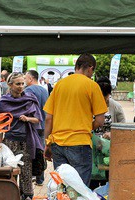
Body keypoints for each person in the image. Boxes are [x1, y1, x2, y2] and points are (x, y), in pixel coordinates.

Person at [43, 53, 108, 187]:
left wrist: (47, 143)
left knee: (62, 188)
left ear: (76, 66)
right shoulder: (92, 86)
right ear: (90, 68)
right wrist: (84, 127)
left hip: (58, 144)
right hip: (80, 144)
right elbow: (100, 121)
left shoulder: (59, 85)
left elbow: (49, 118)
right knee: (79, 190)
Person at [0, 73, 42, 200]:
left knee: (26, 173)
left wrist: (27, 119)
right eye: (18, 84)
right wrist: (0, 144)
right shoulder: (4, 102)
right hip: (10, 141)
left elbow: (38, 119)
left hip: (26, 140)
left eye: (23, 83)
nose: (21, 87)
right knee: (10, 172)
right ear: (10, 85)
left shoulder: (30, 99)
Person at [25, 69, 49, 185]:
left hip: (32, 125)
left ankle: (30, 177)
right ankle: (40, 178)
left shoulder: (28, 90)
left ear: (30, 78)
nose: (24, 81)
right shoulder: (44, 90)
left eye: (25, 78)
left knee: (31, 152)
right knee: (41, 152)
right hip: (43, 124)